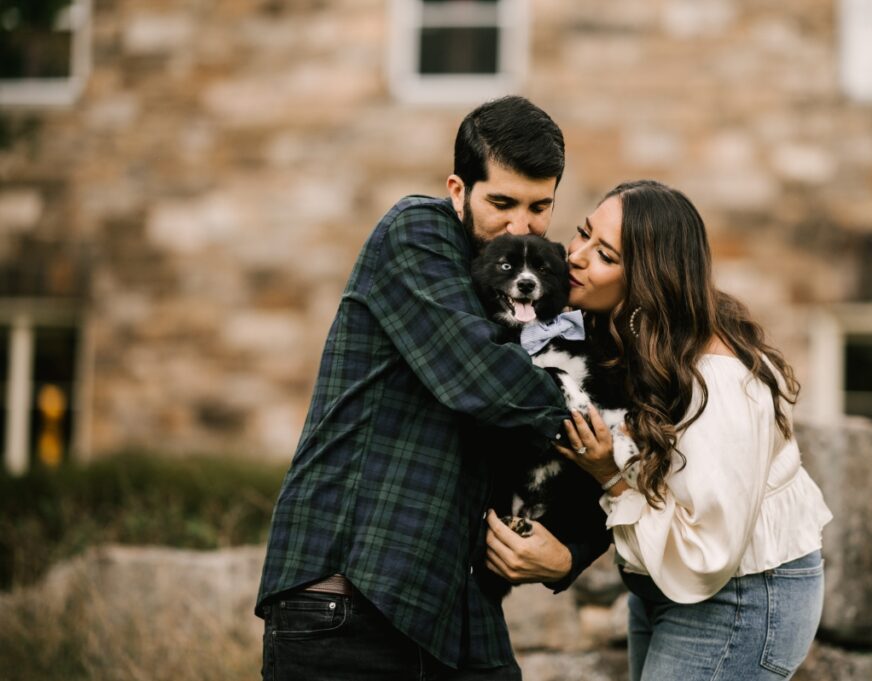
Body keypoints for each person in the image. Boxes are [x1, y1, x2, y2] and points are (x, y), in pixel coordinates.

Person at [256, 96, 607, 681]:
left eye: (539, 207)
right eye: (501, 202)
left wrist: (572, 546)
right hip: (348, 599)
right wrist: (597, 423)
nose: (520, 225)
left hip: (451, 603)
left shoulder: (519, 288)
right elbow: (483, 382)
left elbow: (552, 451)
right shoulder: (417, 232)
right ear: (458, 189)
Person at [551, 179, 833, 681]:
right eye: (583, 234)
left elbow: (709, 552)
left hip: (739, 598)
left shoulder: (717, 382)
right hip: (665, 582)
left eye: (605, 255)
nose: (575, 255)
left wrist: (608, 476)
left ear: (647, 281)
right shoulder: (643, 338)